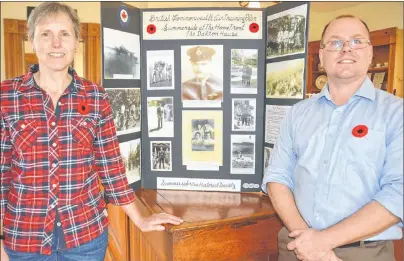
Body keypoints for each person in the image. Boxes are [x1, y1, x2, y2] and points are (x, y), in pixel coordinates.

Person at [0, 3, 183, 261]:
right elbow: (1, 175)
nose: (56, 43)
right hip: (23, 239)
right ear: (32, 41)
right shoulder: (7, 96)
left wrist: (140, 218)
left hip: (85, 238)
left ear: (76, 42)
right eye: (45, 34)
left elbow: (111, 168)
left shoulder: (95, 96)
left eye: (64, 34)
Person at [262, 14, 402, 261]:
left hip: (365, 253)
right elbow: (277, 177)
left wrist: (324, 242)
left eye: (357, 41)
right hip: (297, 246)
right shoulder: (297, 113)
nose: (346, 48)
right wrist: (307, 240)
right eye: (335, 42)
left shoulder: (396, 114)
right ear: (321, 56)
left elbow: (398, 191)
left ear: (370, 53)